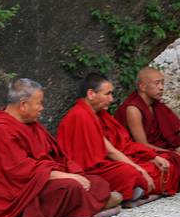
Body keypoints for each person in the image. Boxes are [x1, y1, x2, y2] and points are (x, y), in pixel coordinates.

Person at [0, 79, 120, 217]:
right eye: (39, 103)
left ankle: (82, 206)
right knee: (69, 187)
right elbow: (23, 170)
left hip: (42, 181)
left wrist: (73, 172)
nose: (42, 108)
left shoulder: (31, 124)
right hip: (20, 194)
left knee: (96, 181)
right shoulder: (1, 130)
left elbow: (55, 154)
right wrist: (69, 177)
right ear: (23, 105)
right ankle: (87, 206)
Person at [57, 73, 162, 202]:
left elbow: (116, 146)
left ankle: (131, 190)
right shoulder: (80, 115)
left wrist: (146, 160)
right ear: (91, 94)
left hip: (104, 163)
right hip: (87, 170)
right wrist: (139, 169)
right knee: (130, 172)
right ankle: (126, 191)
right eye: (107, 94)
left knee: (149, 167)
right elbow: (108, 152)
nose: (111, 99)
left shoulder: (94, 114)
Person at [115, 67, 180, 191]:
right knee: (175, 163)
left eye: (162, 83)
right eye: (157, 83)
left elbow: (172, 140)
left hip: (161, 150)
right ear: (142, 87)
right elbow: (142, 145)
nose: (161, 87)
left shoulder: (156, 105)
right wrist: (177, 155)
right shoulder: (133, 109)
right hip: (142, 154)